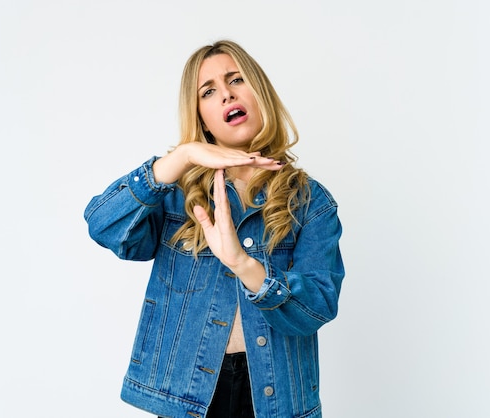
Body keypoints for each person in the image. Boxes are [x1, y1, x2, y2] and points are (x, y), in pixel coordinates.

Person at [84, 39, 345, 418]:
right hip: (189, 398)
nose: (226, 94)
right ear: (201, 117)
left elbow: (317, 307)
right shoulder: (175, 194)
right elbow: (103, 225)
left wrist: (245, 265)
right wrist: (183, 156)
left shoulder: (311, 202)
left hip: (274, 401)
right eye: (208, 91)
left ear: (260, 93)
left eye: (236, 80)